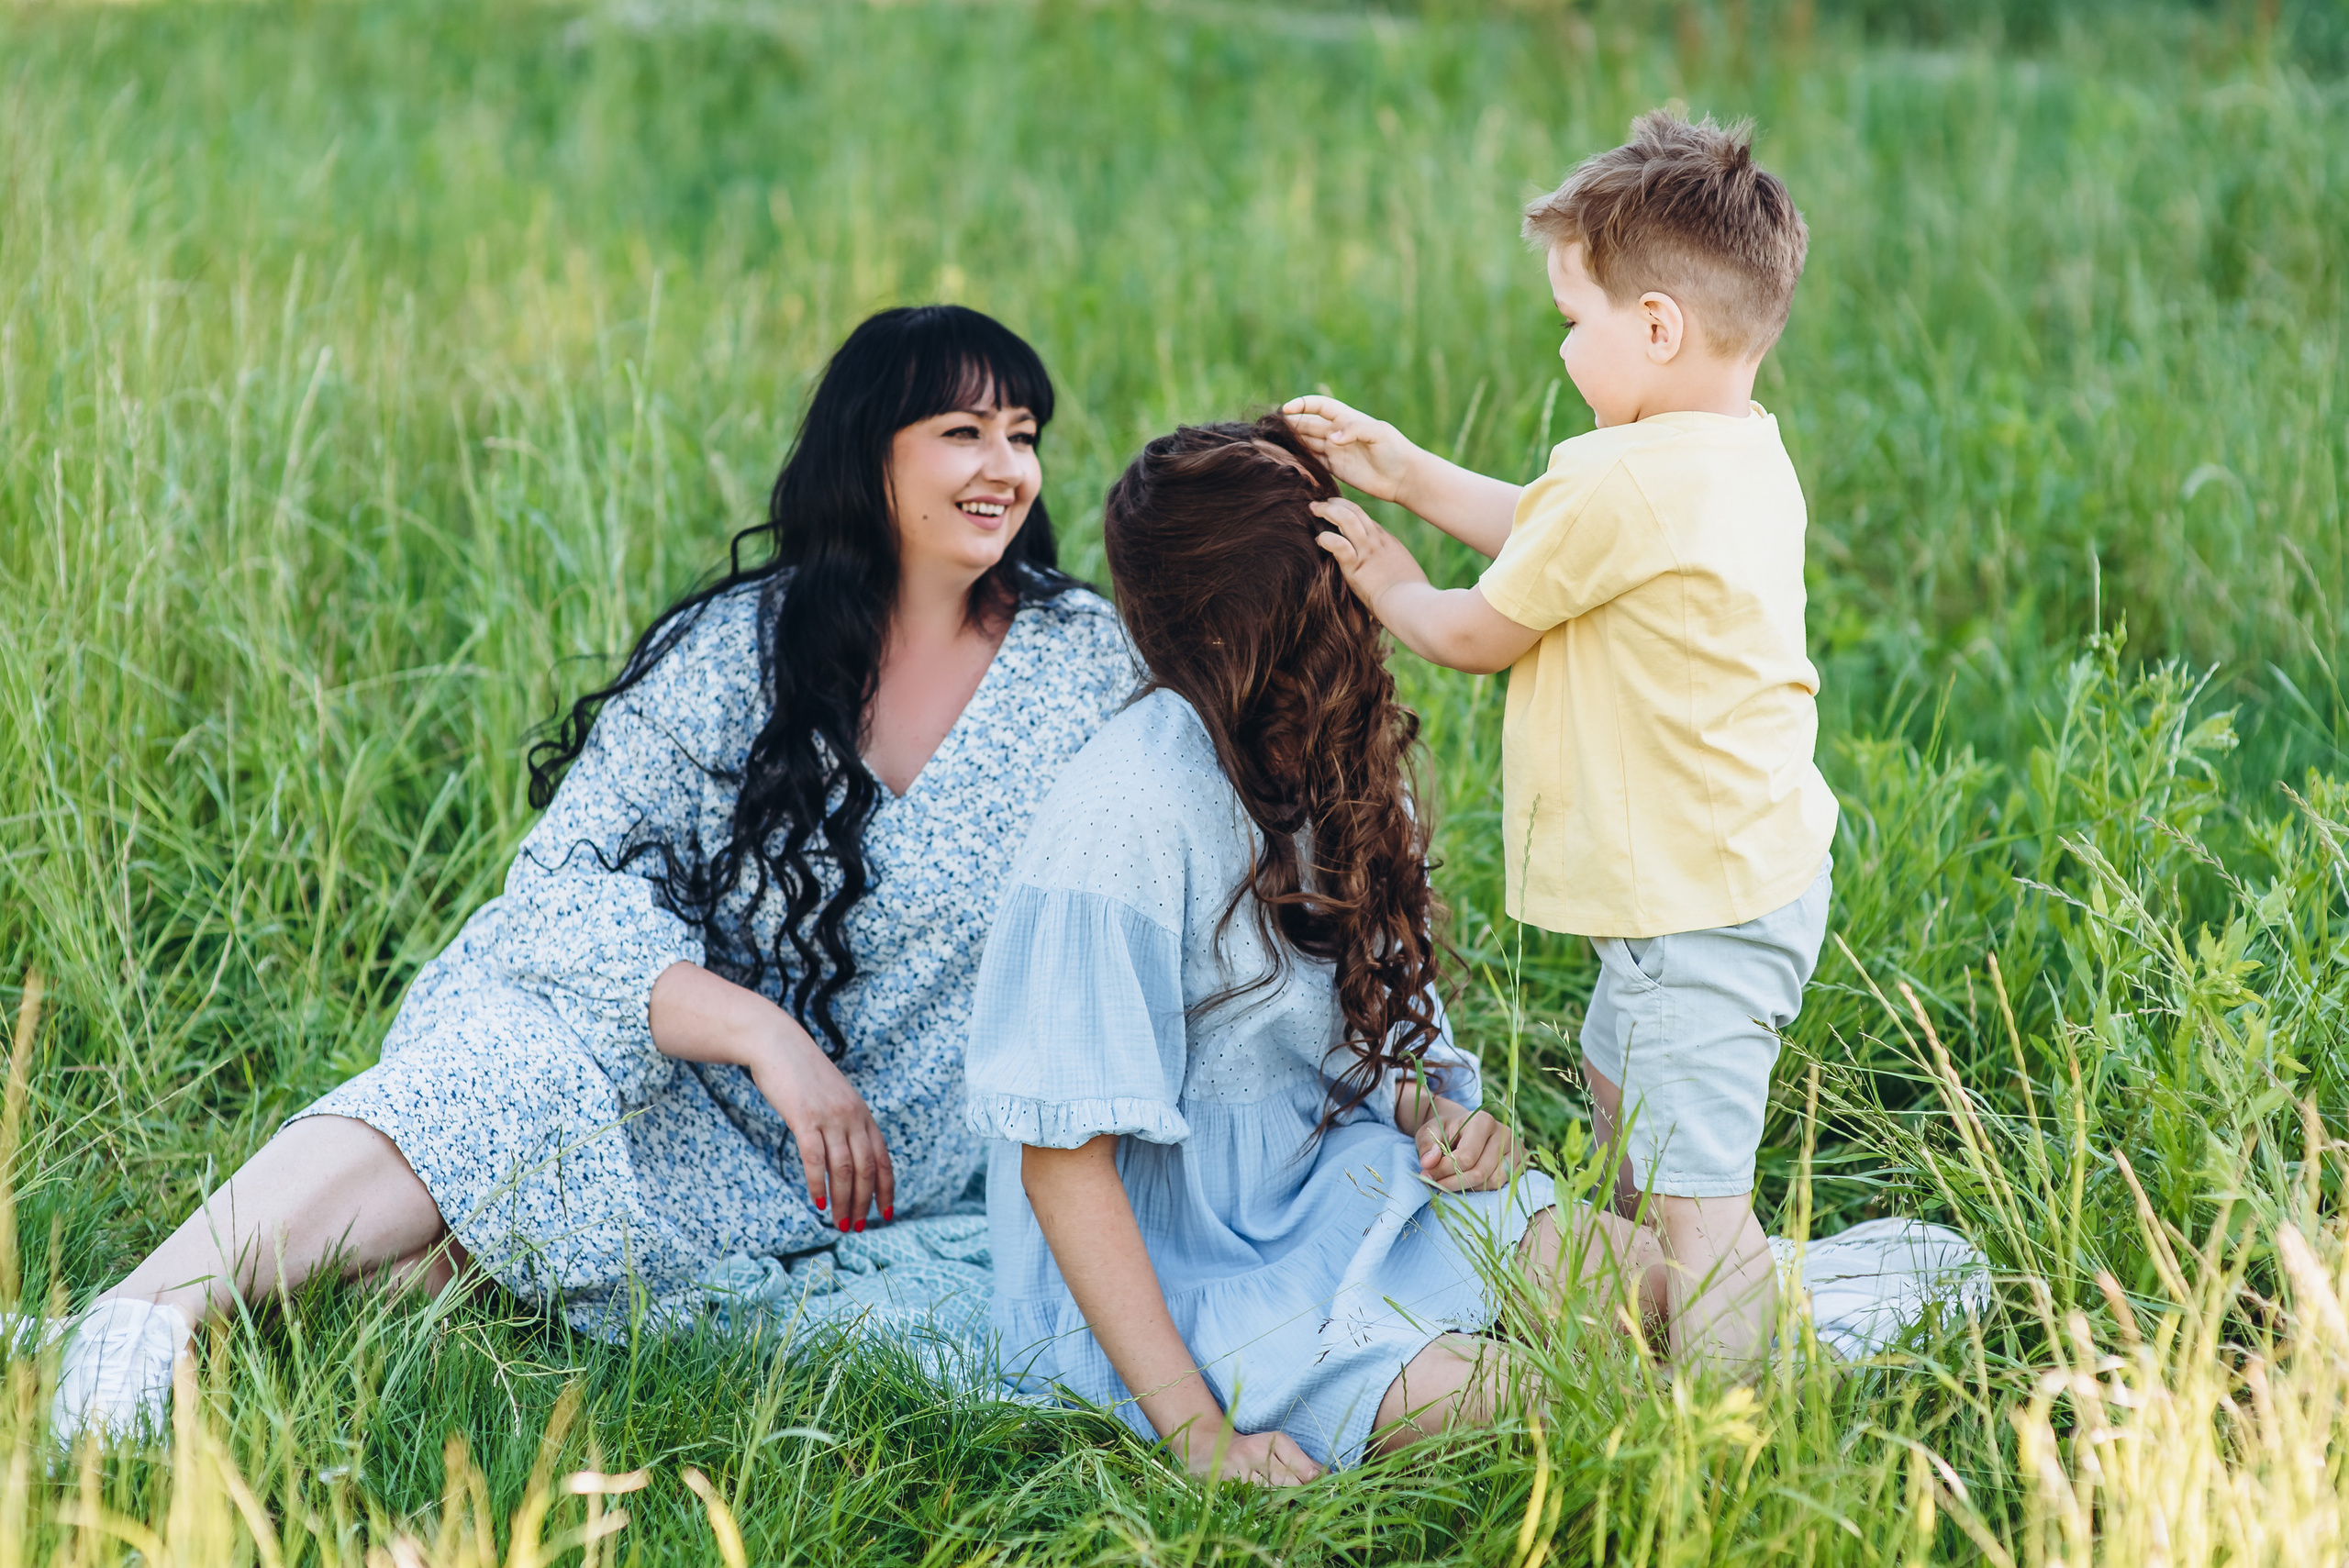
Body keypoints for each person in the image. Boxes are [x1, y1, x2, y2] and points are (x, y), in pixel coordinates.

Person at [54, 305, 1138, 1441]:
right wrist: (767, 1035)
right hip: (668, 1080)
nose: (1006, 468)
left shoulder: (1079, 662)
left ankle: (142, 1333)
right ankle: (136, 1322)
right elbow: (560, 891)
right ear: (872, 454)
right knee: (506, 1080)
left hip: (886, 1172)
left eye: (1023, 434)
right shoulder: (740, 650)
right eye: (964, 431)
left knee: (426, 1267)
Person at [965, 418, 1671, 1485]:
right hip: (1181, 1255)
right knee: (1538, 1407)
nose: (1364, 638)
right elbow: (1064, 1168)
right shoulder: (1122, 818)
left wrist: (1432, 1111)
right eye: (1332, 616)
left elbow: (1353, 1037)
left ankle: (1462, 1334)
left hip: (1331, 1172)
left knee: (1645, 1283)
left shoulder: (1334, 752)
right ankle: (1365, 1370)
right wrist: (1202, 1436)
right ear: (1234, 637)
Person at [1283, 110, 1835, 1374]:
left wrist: (1390, 577)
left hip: (1689, 908)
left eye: (1573, 319)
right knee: (1625, 1102)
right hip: (1744, 877)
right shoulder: (1730, 453)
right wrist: (1413, 470)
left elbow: (1480, 629)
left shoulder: (1620, 480)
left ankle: (1726, 1418)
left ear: (1655, 327)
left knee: (1701, 1209)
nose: (1564, 342)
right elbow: (1557, 529)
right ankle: (1657, 1317)